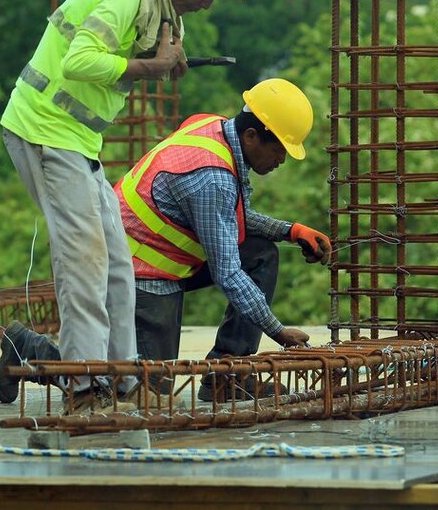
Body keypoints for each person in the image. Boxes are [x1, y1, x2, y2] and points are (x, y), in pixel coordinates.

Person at [0, 0, 256, 414]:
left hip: (77, 140)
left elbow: (136, 54)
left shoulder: (158, 1)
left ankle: (123, 380)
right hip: (45, 133)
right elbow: (79, 61)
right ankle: (86, 389)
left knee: (117, 264)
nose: (209, 3)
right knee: (84, 265)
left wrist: (163, 62)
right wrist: (147, 67)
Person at [115, 78, 331, 401]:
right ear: (252, 136)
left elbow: (230, 217)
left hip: (163, 259)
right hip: (137, 272)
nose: (282, 160)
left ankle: (227, 376)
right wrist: (278, 331)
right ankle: (30, 350)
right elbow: (227, 273)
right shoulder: (212, 179)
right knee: (149, 393)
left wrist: (291, 231)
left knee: (261, 253)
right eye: (279, 150)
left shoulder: (217, 129)